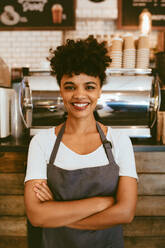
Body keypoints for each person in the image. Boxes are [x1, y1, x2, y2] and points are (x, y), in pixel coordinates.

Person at [24, 36, 138, 248]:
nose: (80, 95)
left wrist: (57, 212)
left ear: (100, 90)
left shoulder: (119, 141)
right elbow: (37, 216)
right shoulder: (41, 143)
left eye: (89, 86)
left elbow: (126, 212)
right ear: (60, 89)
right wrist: (103, 203)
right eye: (70, 87)